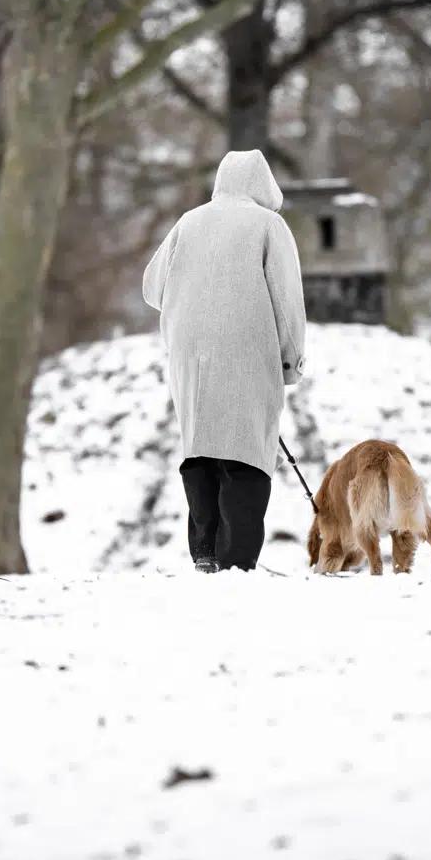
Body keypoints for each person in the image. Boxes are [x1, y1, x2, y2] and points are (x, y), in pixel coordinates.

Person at [142, 149, 307, 573]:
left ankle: (205, 553)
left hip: (189, 351)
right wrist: (290, 364)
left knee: (200, 446)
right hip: (248, 349)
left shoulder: (188, 221)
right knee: (245, 448)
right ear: (264, 185)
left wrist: (193, 302)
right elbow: (286, 302)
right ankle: (236, 561)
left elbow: (152, 287)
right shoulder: (269, 224)